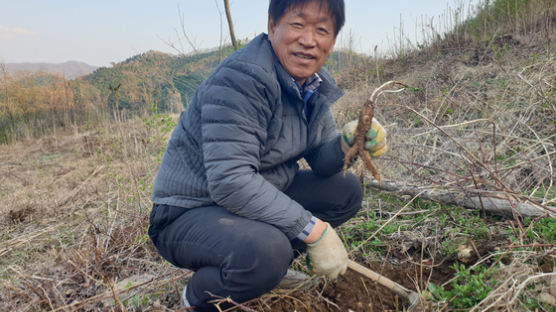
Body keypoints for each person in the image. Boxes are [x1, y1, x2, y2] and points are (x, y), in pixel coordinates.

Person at [148, 0, 387, 310]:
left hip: (258, 193)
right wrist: (315, 231)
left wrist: (348, 142)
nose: (309, 39)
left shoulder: (309, 84)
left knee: (345, 191)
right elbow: (231, 182)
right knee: (266, 251)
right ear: (273, 25)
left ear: (333, 40)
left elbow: (322, 159)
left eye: (322, 30)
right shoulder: (242, 79)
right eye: (298, 24)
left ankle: (263, 269)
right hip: (190, 210)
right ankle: (197, 298)